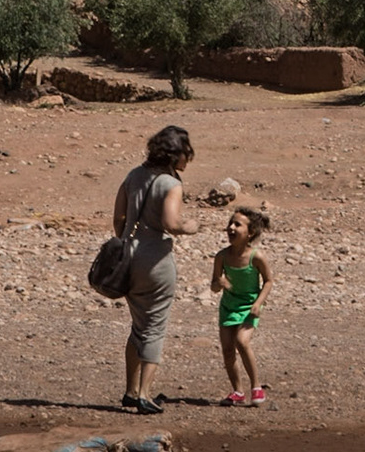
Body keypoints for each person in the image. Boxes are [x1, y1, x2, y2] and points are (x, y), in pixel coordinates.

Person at [112, 125, 198, 414]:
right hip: (154, 260)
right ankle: (145, 396)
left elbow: (119, 218)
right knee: (154, 327)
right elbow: (172, 223)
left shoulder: (133, 175)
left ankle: (130, 389)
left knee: (138, 325)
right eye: (187, 153)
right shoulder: (170, 184)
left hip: (128, 255)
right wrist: (191, 226)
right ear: (176, 155)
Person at [210, 206, 272, 406]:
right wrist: (219, 284)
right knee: (227, 349)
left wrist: (258, 303)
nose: (231, 228)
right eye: (230, 223)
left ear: (250, 232)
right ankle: (237, 391)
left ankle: (256, 387)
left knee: (242, 341)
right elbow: (214, 286)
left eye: (237, 224)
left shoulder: (257, 257)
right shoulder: (222, 256)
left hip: (249, 306)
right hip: (228, 306)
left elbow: (269, 281)